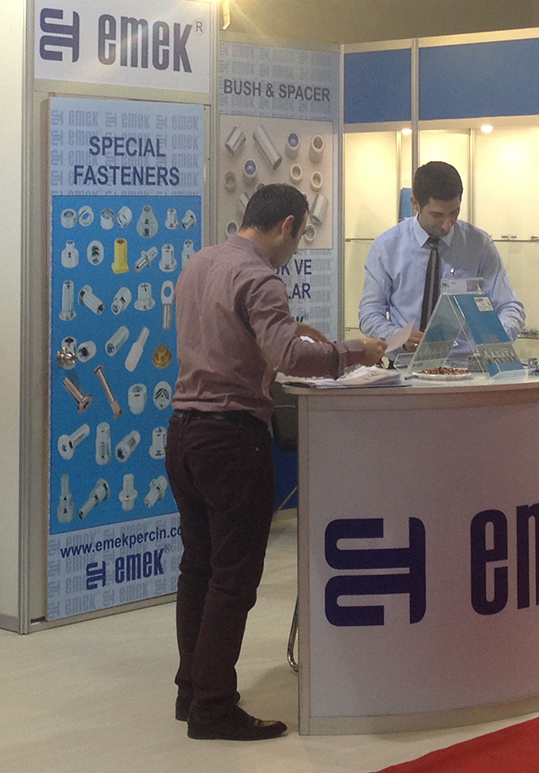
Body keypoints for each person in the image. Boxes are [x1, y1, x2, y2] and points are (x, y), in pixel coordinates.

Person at [167, 184, 386, 741]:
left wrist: (296, 336)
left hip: (184, 433)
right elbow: (289, 357)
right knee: (234, 578)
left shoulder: (200, 263)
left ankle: (192, 689)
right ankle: (213, 708)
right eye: (300, 235)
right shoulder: (261, 277)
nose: (297, 248)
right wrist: (355, 350)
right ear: (287, 225)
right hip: (231, 439)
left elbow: (236, 339)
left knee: (198, 567)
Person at [358, 160, 525, 353]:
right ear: (415, 203)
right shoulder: (387, 247)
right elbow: (370, 313)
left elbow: (509, 307)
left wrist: (494, 340)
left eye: (454, 213)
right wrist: (397, 336)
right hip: (404, 362)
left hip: (464, 365)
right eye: (437, 215)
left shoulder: (478, 245)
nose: (447, 224)